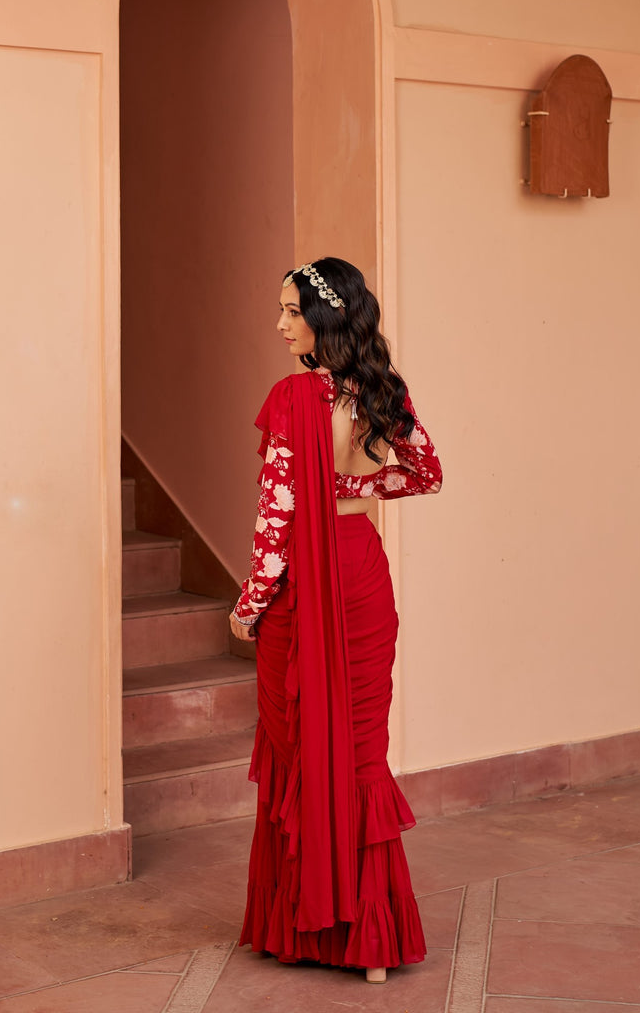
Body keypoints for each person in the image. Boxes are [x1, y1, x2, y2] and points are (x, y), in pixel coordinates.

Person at [230, 257, 442, 984]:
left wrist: (249, 604)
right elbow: (424, 472)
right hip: (360, 568)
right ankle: (371, 942)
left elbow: (277, 519)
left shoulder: (293, 397)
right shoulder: (383, 389)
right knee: (358, 755)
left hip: (306, 586)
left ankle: (304, 926)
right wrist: (353, 482)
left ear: (323, 319)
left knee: (303, 751)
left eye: (291, 311)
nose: (280, 323)